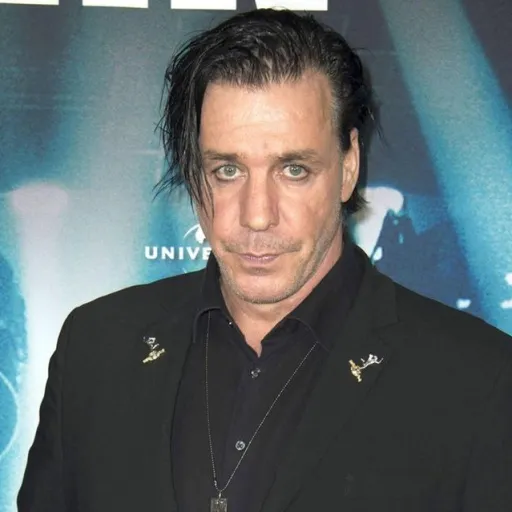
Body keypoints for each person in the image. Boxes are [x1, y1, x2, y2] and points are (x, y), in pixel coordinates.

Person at [18, 8, 512, 512]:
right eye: (227, 170)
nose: (257, 215)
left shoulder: (477, 381)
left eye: (294, 169)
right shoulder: (95, 348)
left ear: (348, 166)